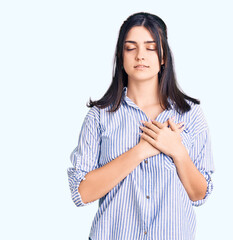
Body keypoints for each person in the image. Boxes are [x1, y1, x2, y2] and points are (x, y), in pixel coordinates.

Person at [67, 12, 215, 240]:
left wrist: (177, 151)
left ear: (163, 56)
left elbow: (199, 195)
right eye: (130, 48)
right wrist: (142, 150)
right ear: (121, 56)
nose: (140, 56)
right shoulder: (99, 116)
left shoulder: (190, 114)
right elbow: (82, 193)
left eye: (150, 47)